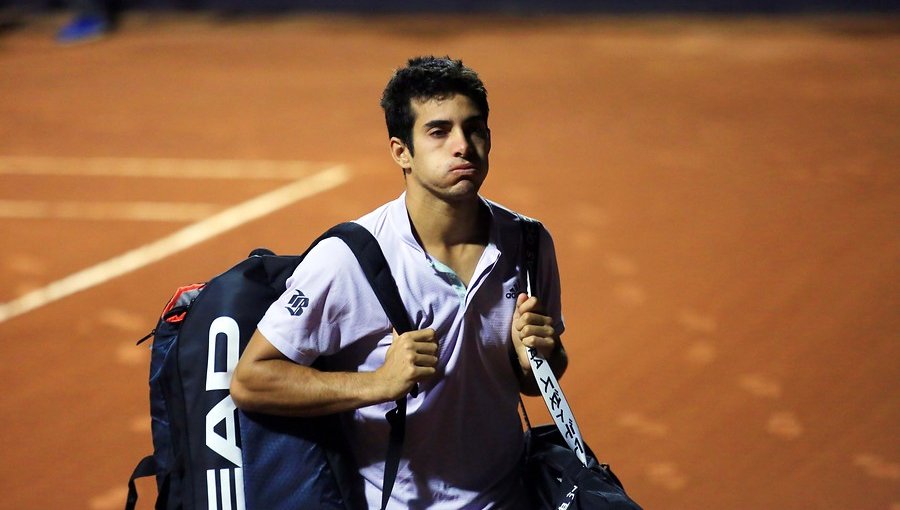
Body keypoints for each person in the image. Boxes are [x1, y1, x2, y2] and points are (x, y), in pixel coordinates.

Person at [231, 55, 568, 509]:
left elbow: (533, 382)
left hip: (509, 498)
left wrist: (540, 358)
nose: (462, 145)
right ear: (401, 151)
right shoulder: (347, 259)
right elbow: (252, 380)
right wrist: (376, 384)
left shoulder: (528, 243)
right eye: (438, 131)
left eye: (474, 129)